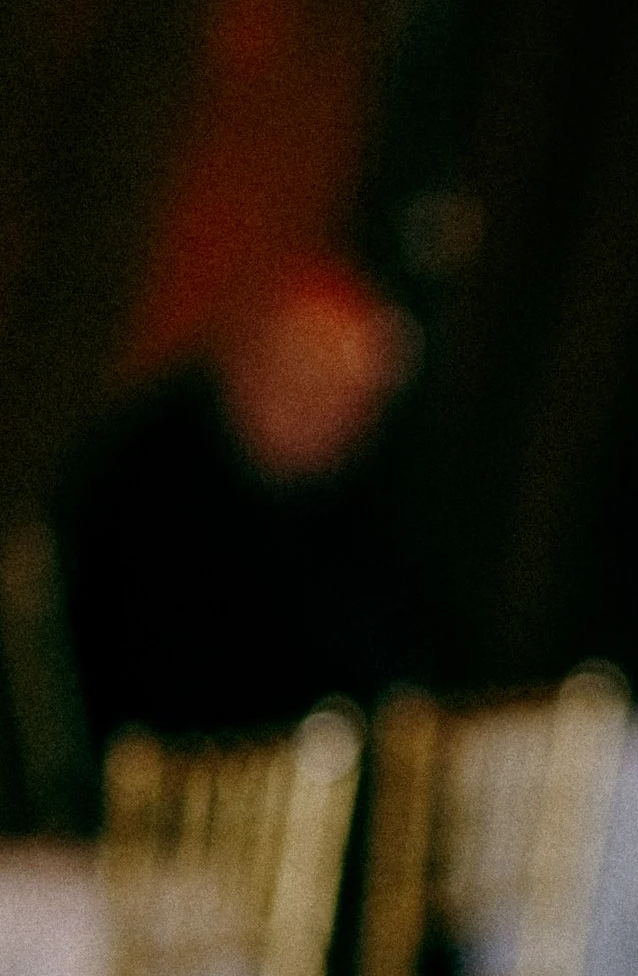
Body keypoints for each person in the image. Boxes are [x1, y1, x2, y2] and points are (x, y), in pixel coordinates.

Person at [58, 255, 428, 744]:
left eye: (350, 402)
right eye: (305, 378)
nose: (325, 416)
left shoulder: (360, 517)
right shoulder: (148, 477)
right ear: (246, 359)